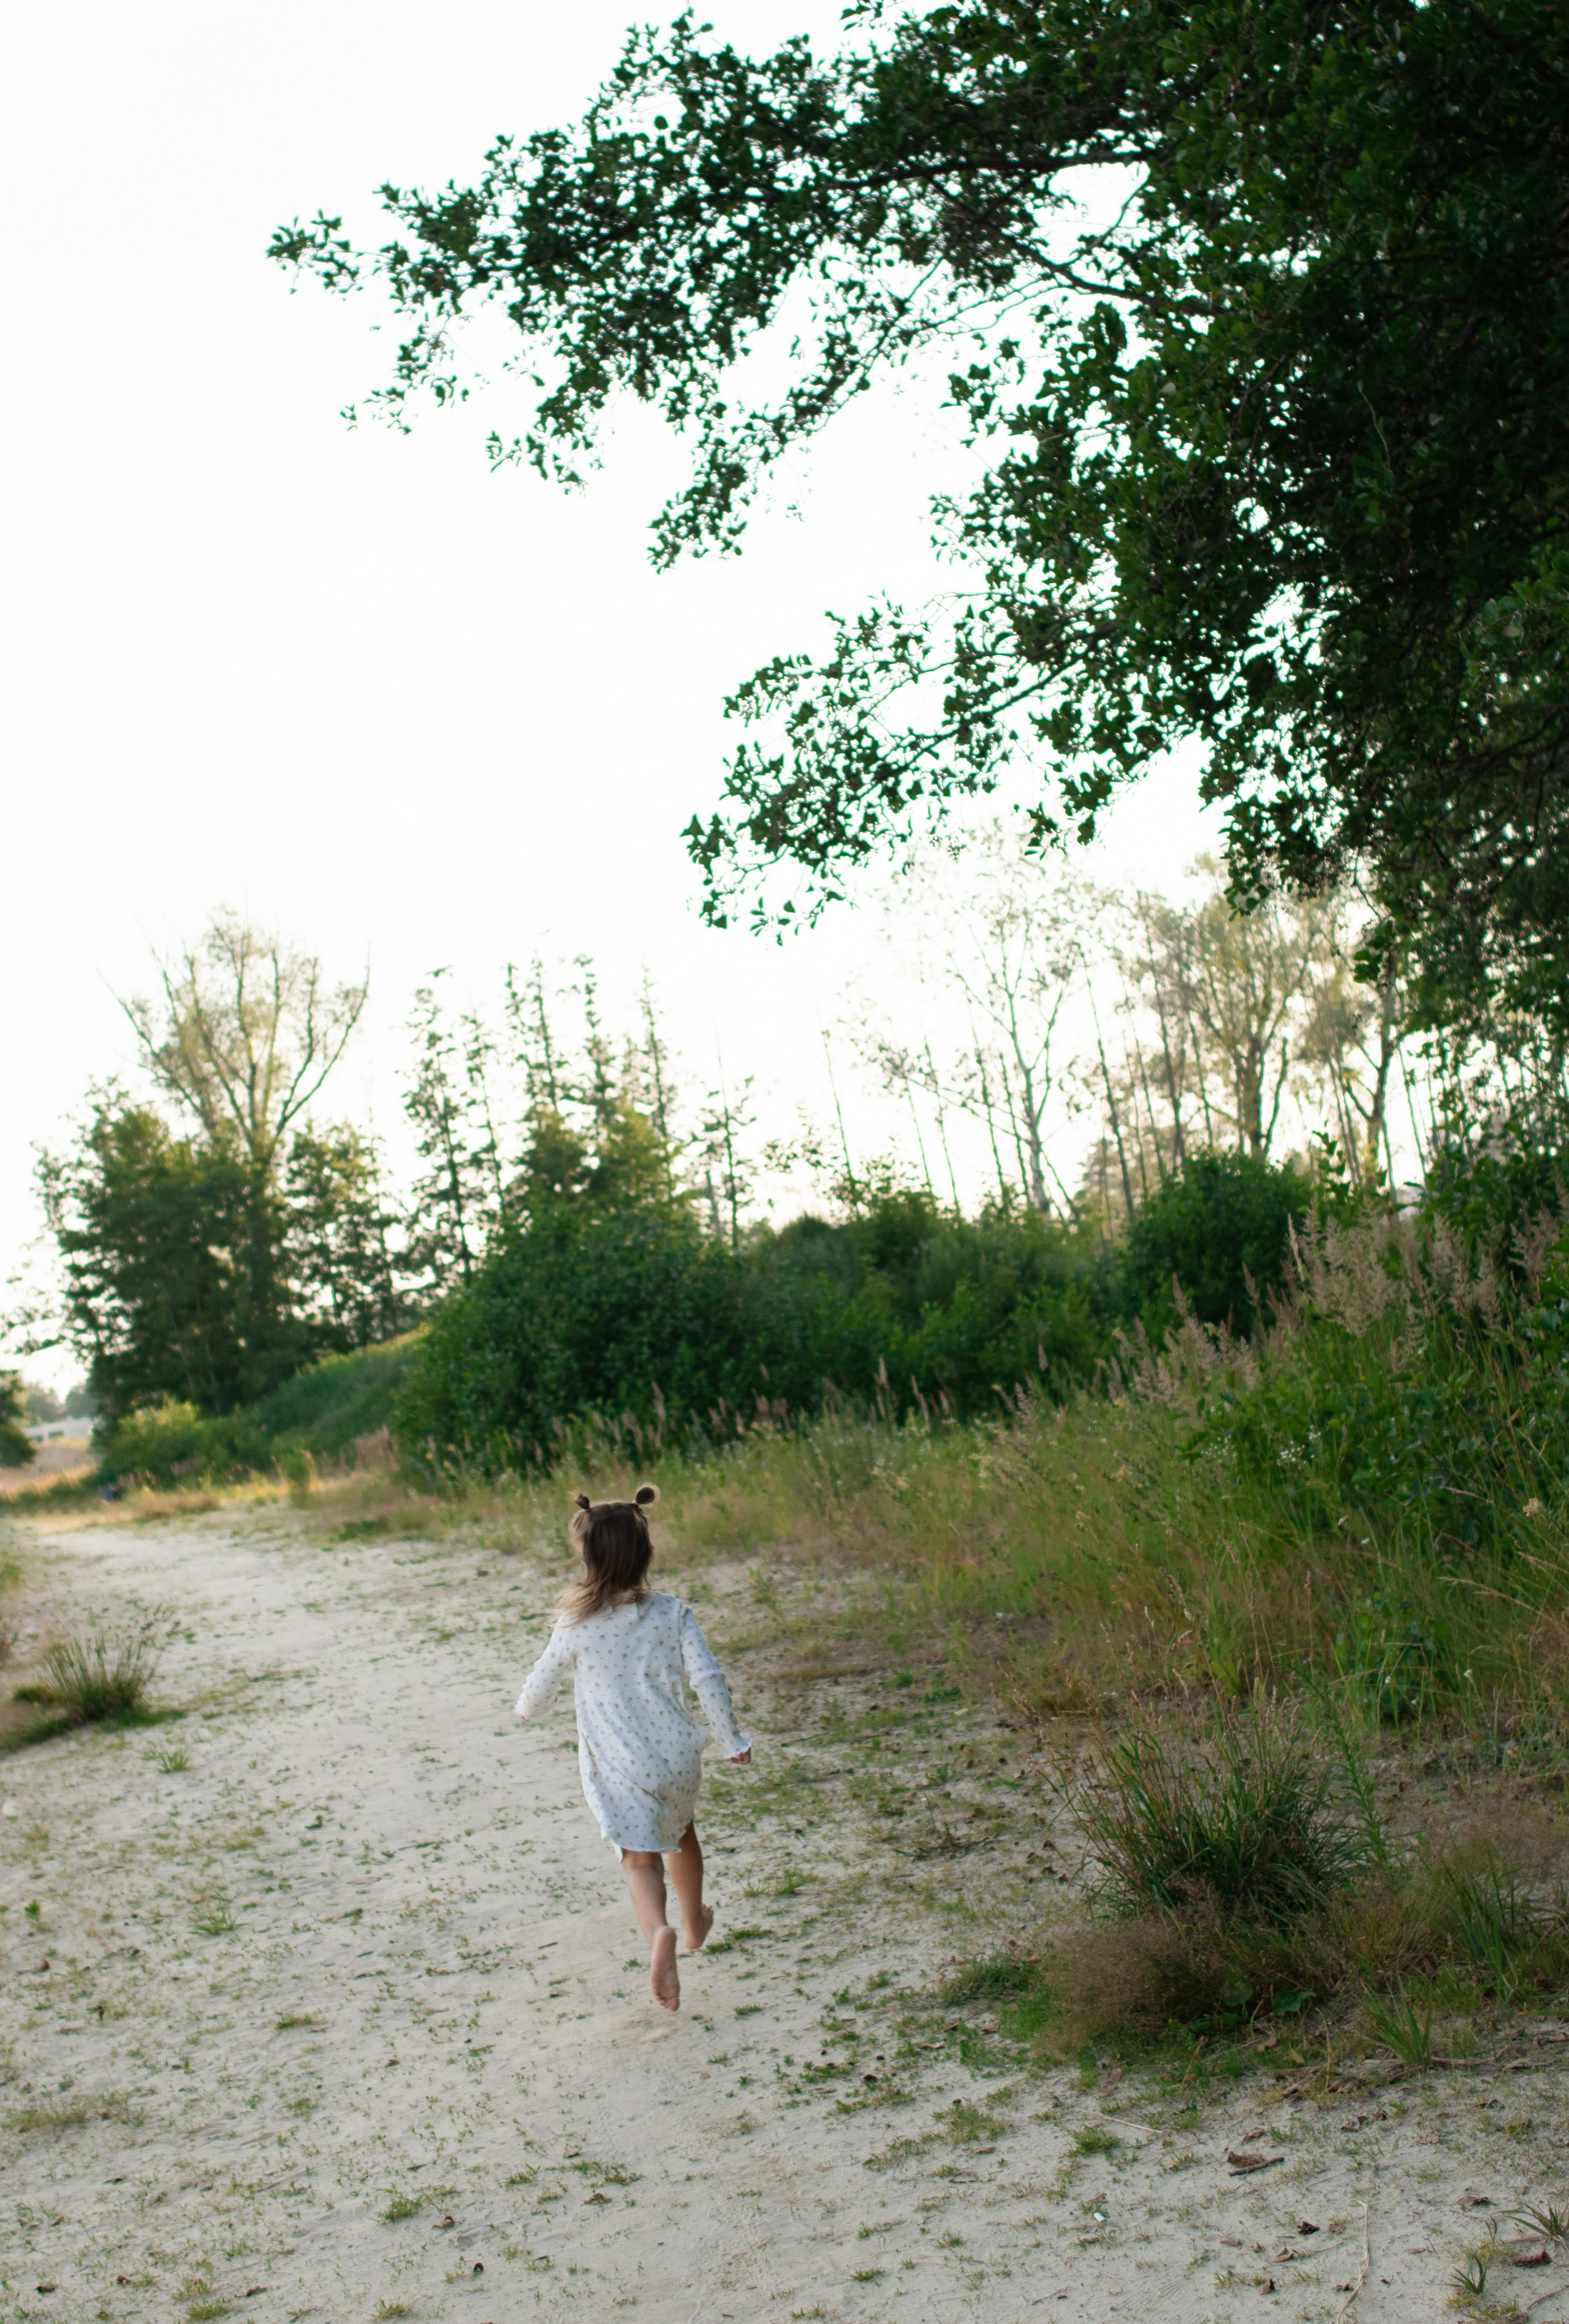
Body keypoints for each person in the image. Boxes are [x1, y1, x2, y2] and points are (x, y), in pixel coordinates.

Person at [515, 1483, 751, 2011]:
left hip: (620, 1763)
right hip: (678, 1759)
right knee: (683, 1832)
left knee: (639, 1861)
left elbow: (543, 1679)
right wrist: (731, 1738)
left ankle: (659, 1935)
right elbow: (708, 1677)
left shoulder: (575, 1624)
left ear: (587, 1559)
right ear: (645, 1555)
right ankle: (695, 1925)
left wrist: (528, 1709)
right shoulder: (673, 1614)